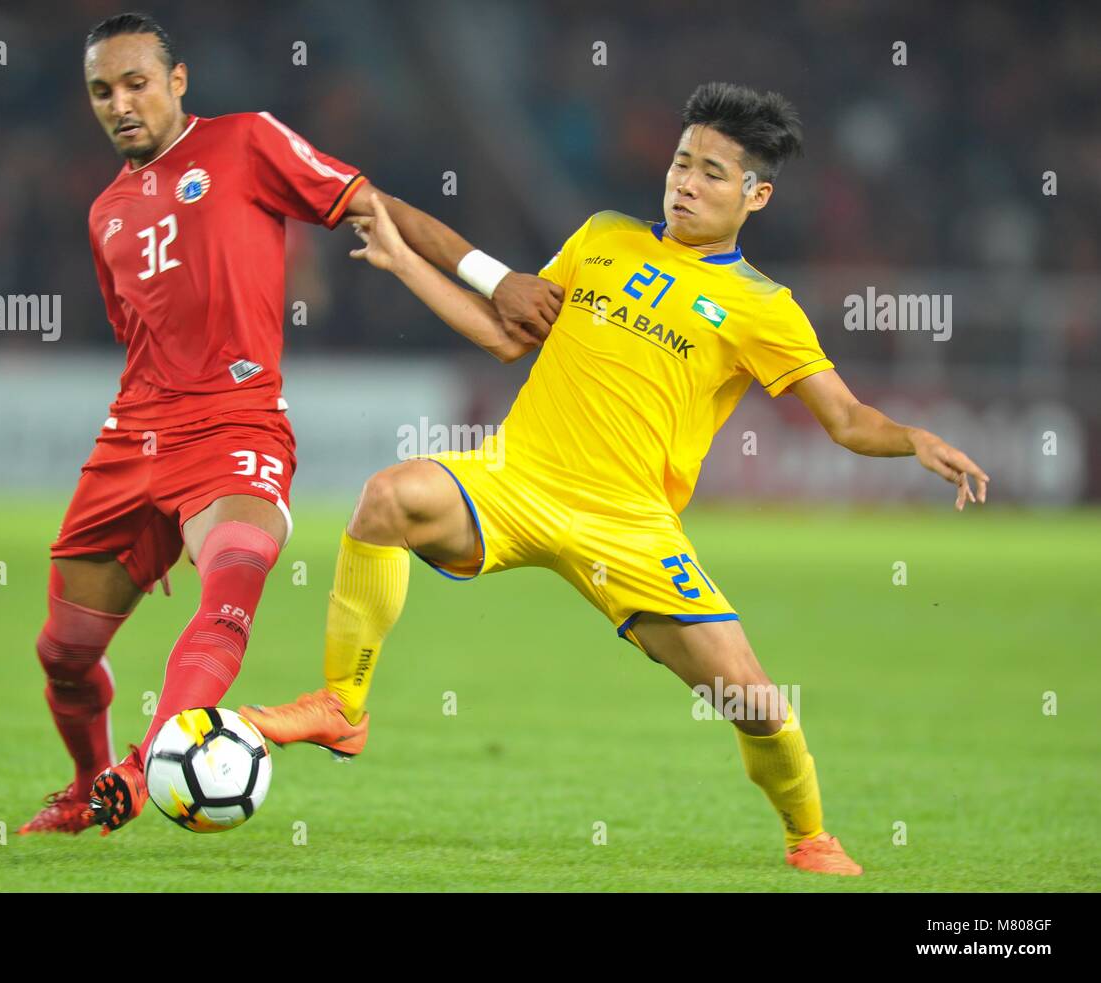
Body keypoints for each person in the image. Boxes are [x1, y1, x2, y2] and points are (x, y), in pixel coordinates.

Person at [239, 82, 990, 876]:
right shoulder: (604, 237)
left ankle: (809, 835)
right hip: (516, 477)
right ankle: (341, 705)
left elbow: (844, 419)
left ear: (755, 195)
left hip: (630, 524)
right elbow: (505, 336)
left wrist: (911, 440)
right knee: (388, 497)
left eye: (710, 173)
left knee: (755, 701)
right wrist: (402, 264)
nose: (685, 183)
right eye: (680, 162)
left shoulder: (764, 307)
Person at [19, 12, 561, 836]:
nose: (121, 103)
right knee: (62, 654)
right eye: (102, 90)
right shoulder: (106, 215)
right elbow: (140, 337)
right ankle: (86, 782)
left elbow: (375, 207)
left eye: (136, 82)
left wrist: (495, 279)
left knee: (234, 575)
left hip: (237, 426)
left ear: (178, 81)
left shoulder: (245, 143)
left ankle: (149, 759)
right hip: (133, 439)